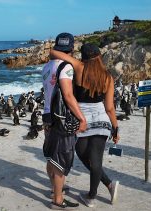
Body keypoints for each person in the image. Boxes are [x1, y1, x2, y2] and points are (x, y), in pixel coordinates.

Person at [50, 42, 120, 208]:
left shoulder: (78, 66)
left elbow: (53, 52)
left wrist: (69, 55)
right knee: (95, 160)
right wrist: (116, 128)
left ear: (83, 56)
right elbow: (109, 107)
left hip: (81, 119)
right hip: (102, 120)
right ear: (99, 56)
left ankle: (92, 195)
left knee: (83, 155)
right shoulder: (107, 76)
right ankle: (106, 187)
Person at [42, 32, 87, 210]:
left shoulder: (46, 67)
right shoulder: (66, 67)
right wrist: (81, 118)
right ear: (72, 48)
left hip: (47, 116)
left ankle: (55, 190)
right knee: (61, 158)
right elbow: (68, 96)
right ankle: (58, 200)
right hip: (61, 118)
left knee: (51, 156)